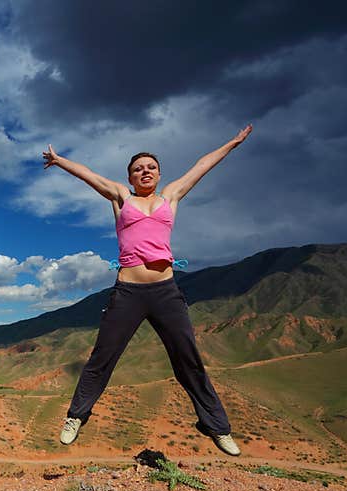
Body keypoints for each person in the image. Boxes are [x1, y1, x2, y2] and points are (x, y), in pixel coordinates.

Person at [42, 125, 252, 456]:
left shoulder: (171, 196)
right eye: (138, 168)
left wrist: (233, 144)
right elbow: (89, 175)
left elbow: (202, 165)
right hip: (128, 293)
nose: (145, 171)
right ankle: (75, 417)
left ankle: (217, 427)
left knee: (188, 360)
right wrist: (59, 160)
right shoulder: (120, 198)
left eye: (151, 167)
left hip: (166, 292)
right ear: (130, 177)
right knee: (102, 357)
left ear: (158, 174)